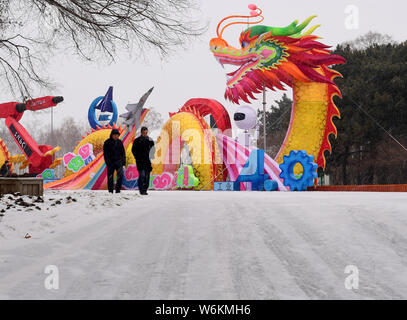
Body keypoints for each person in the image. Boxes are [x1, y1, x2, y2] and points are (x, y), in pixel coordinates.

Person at [132, 127, 155, 195]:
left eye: (146, 133)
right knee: (142, 175)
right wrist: (137, 157)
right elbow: (133, 150)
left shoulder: (150, 140)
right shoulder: (137, 140)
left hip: (148, 161)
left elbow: (153, 150)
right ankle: (141, 190)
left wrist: (151, 158)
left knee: (147, 177)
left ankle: (145, 189)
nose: (145, 134)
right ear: (141, 132)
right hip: (140, 161)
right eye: (143, 133)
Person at [103, 129, 126, 194]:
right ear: (112, 135)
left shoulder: (120, 142)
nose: (116, 136)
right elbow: (105, 154)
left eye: (117, 135)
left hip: (119, 162)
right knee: (110, 177)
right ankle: (110, 190)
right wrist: (108, 162)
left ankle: (118, 190)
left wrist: (123, 162)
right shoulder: (107, 142)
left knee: (120, 175)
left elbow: (123, 153)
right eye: (115, 135)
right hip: (110, 163)